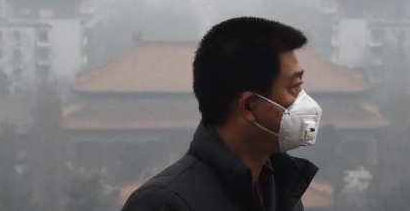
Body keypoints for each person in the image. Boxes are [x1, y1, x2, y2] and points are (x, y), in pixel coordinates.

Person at [122, 17, 322, 211]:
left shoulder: (283, 194)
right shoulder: (161, 204)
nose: (303, 100)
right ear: (249, 107)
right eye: (295, 87)